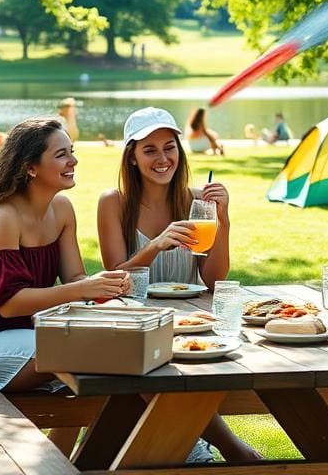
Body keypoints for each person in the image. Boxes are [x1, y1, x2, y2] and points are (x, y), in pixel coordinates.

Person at [97, 106, 259, 462]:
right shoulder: (114, 202)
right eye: (149, 150)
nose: (162, 158)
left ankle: (196, 445)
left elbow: (214, 280)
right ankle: (231, 450)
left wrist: (223, 220)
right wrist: (156, 245)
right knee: (153, 368)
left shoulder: (196, 201)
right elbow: (116, 279)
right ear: (133, 157)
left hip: (192, 324)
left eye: (169, 147)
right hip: (137, 324)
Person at [0, 118, 132, 395]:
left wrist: (104, 286)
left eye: (72, 151)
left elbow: (75, 277)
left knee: (117, 349)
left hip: (23, 336)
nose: (73, 161)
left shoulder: (61, 209)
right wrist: (81, 289)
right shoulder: (3, 218)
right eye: (61, 154)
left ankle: (97, 438)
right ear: (30, 167)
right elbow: (8, 305)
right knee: (93, 353)